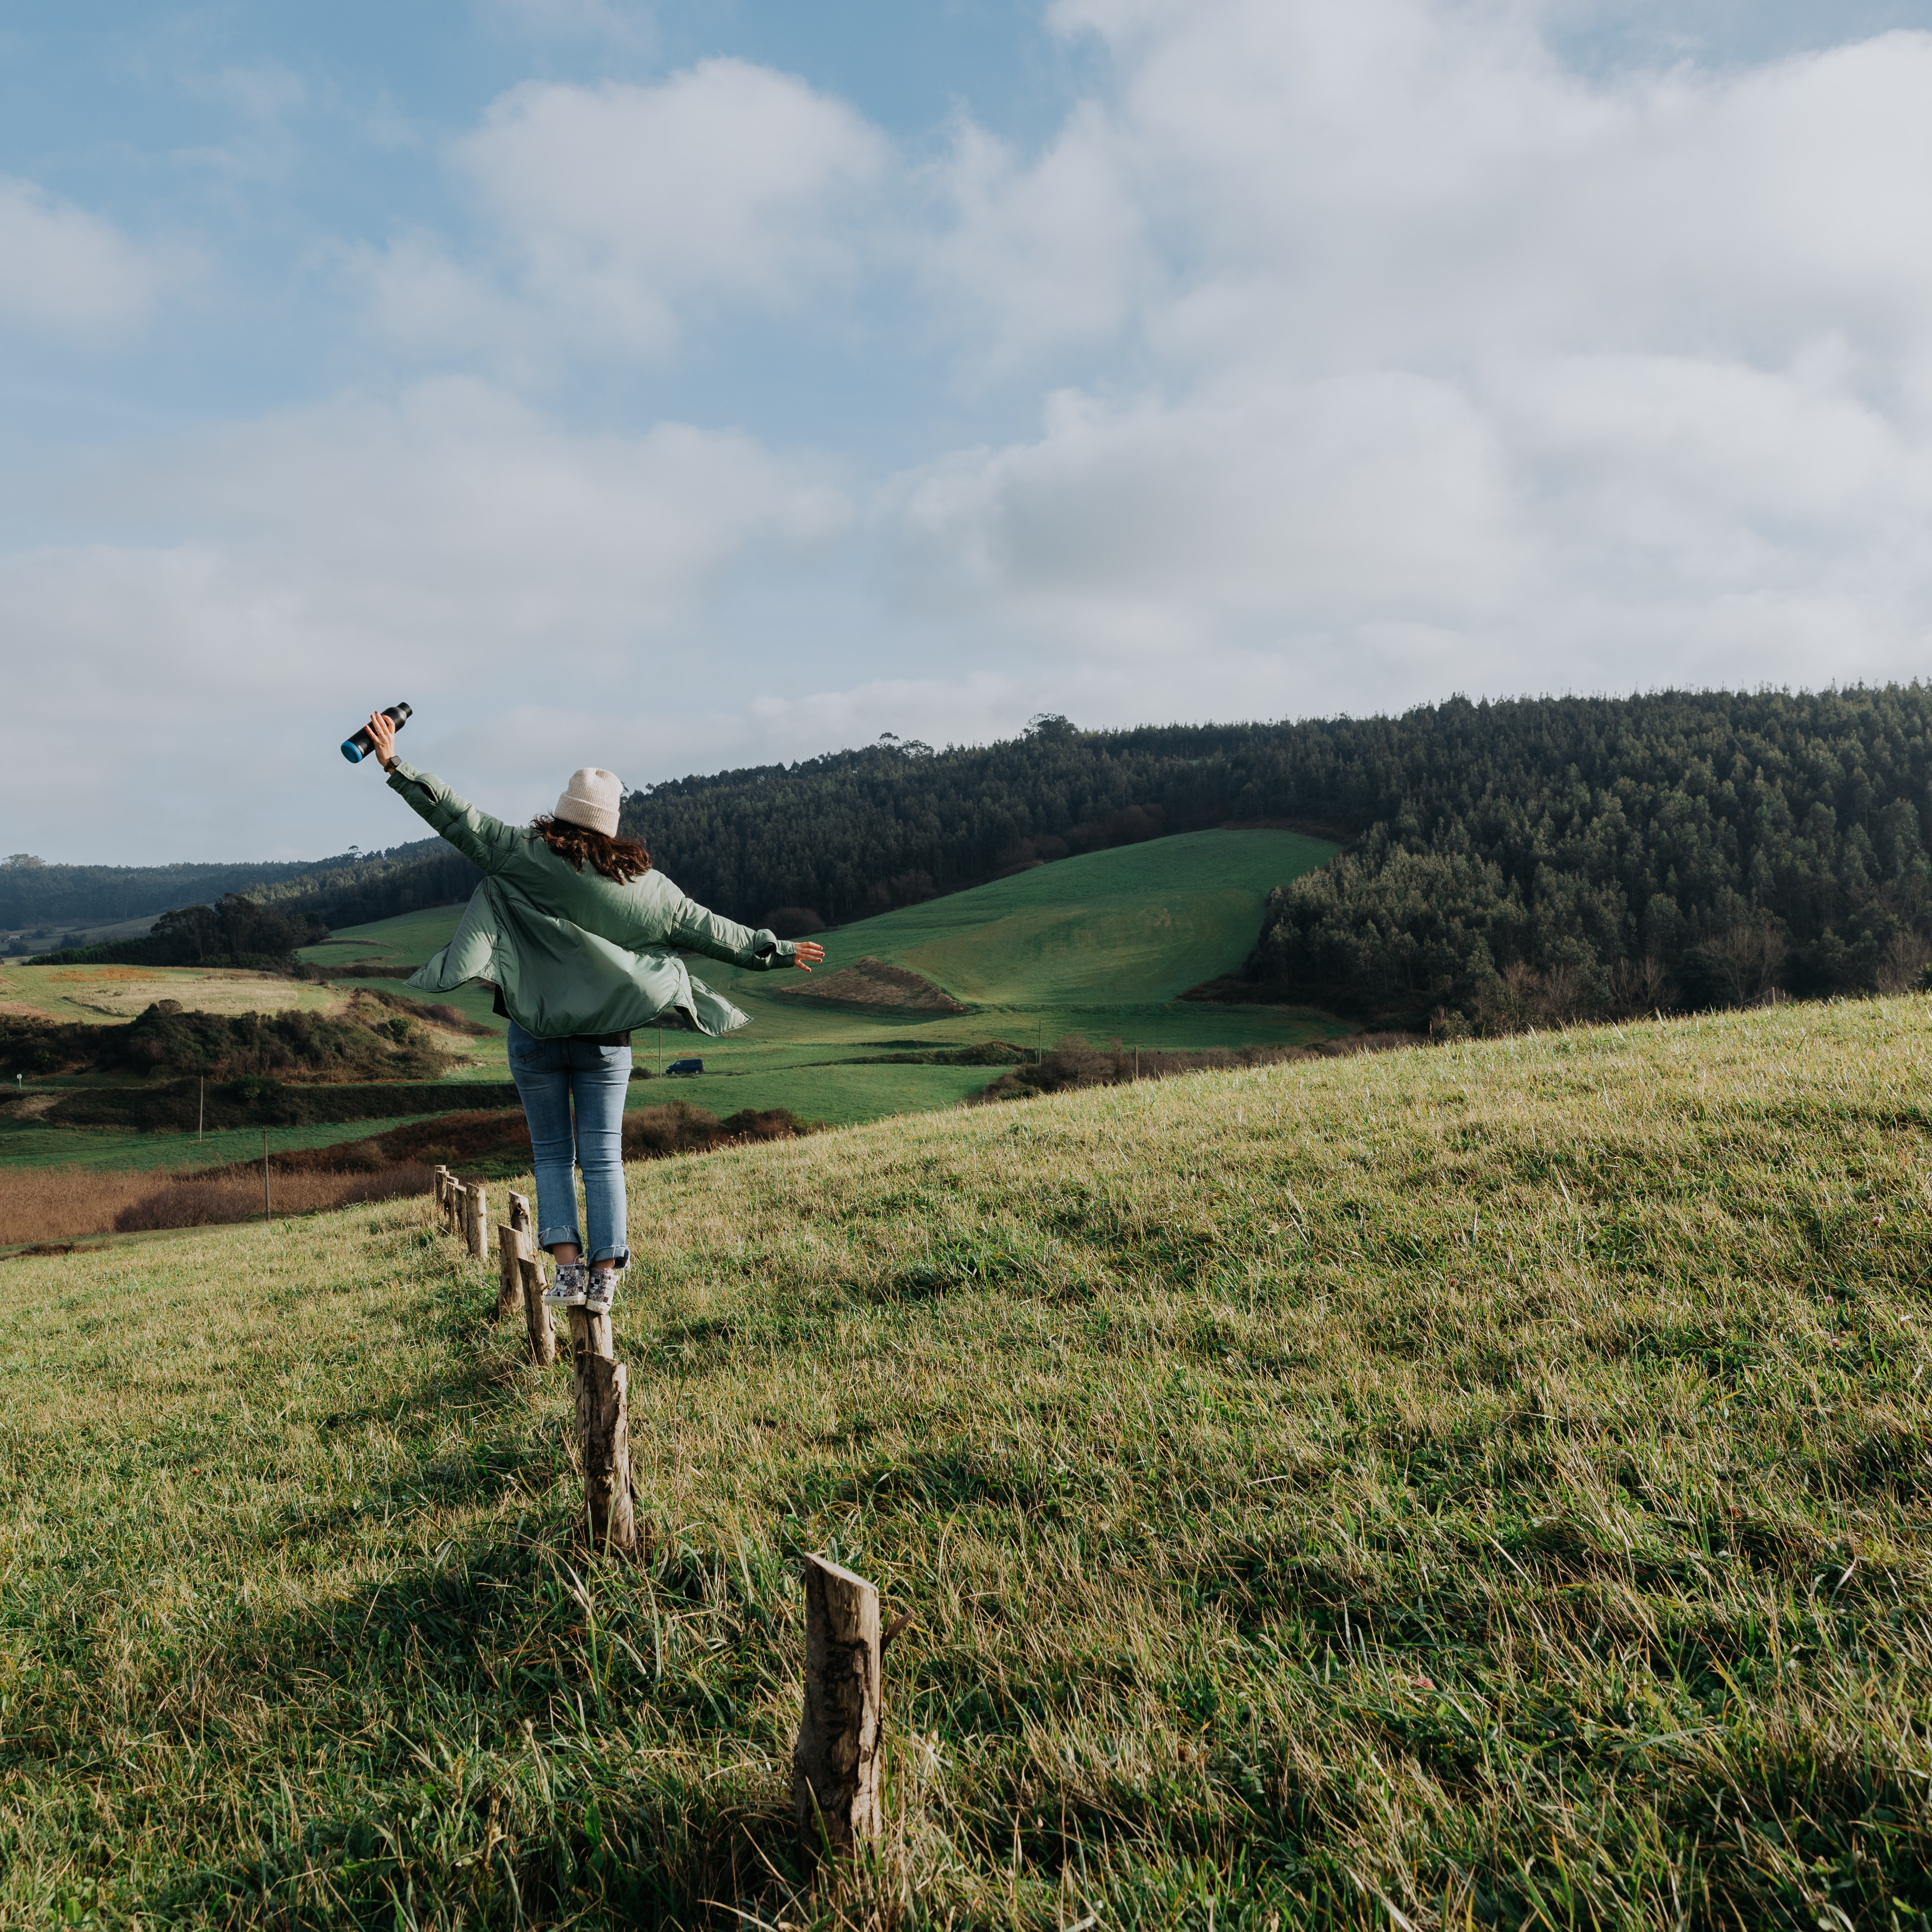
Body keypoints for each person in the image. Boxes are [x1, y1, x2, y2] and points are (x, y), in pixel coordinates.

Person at [359, 710, 825, 1316]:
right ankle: (605, 1277)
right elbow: (721, 935)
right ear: (612, 826)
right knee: (603, 1156)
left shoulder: (521, 856)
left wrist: (395, 762)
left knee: (553, 1155)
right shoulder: (650, 890)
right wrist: (780, 951)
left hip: (535, 1033)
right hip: (607, 1041)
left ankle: (568, 1272)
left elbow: (454, 814)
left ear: (561, 812)